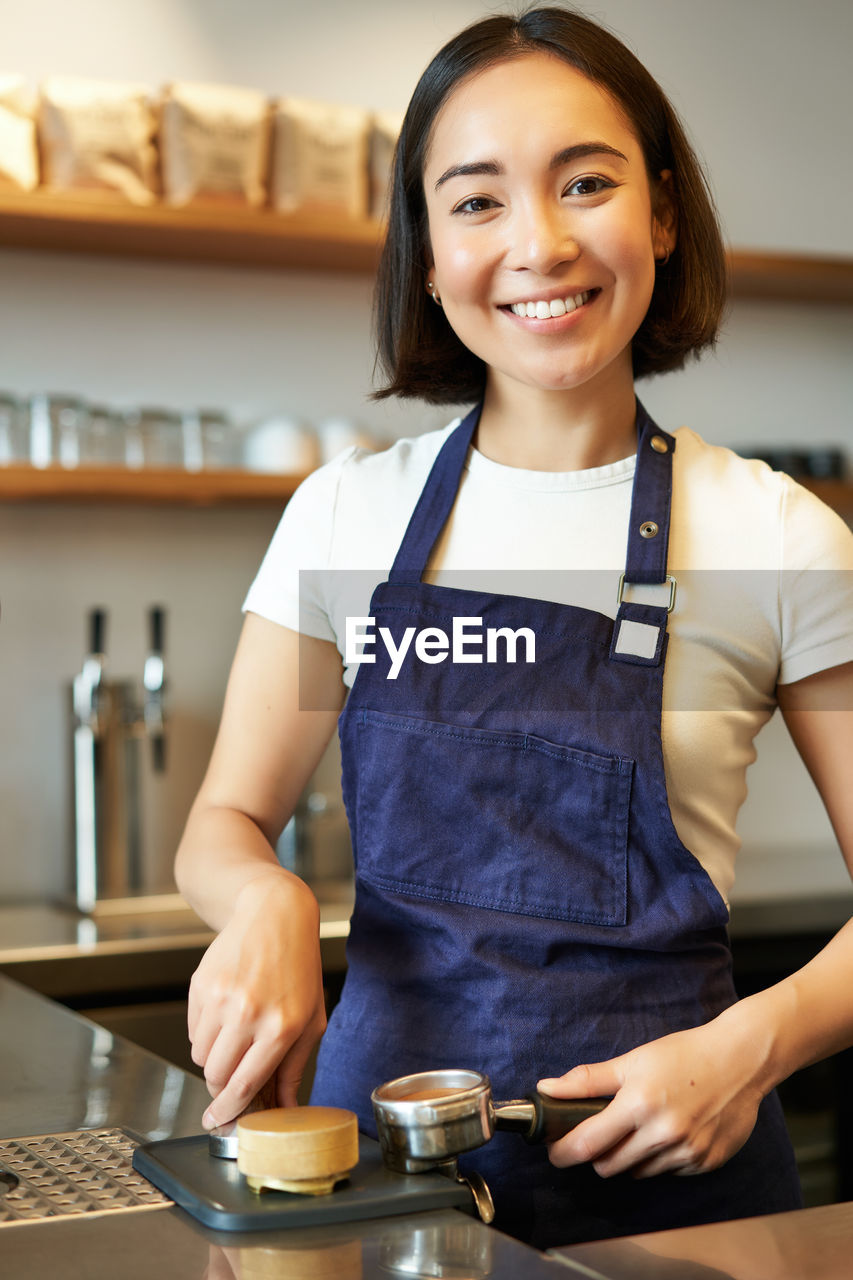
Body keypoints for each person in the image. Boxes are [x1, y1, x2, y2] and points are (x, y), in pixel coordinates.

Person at [175, 6, 853, 1249]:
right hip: (376, 1198)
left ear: (658, 210)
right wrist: (264, 898)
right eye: (477, 202)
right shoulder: (346, 513)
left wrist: (752, 1047)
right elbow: (220, 824)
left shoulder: (777, 532)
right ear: (427, 254)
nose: (539, 243)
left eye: (584, 182)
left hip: (677, 1215)